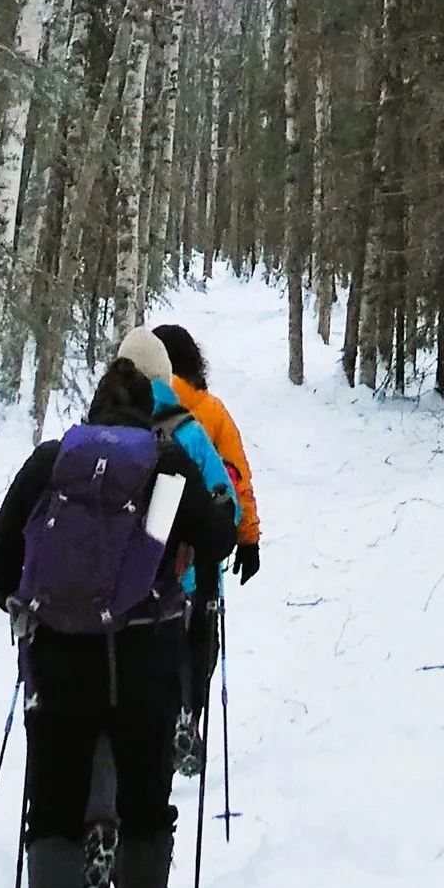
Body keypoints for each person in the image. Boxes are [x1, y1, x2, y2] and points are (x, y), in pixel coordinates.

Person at [0, 357, 237, 888]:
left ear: (94, 412)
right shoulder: (166, 465)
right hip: (147, 660)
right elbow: (217, 539)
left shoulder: (53, 462)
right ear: (147, 411)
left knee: (56, 811)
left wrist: (28, 606)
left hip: (61, 663)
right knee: (147, 809)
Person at [153, 322, 260, 777]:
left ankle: (160, 720)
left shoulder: (140, 406)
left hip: (151, 558)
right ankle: (188, 717)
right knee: (201, 642)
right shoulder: (210, 414)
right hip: (204, 557)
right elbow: (236, 478)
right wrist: (248, 537)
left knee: (160, 642)